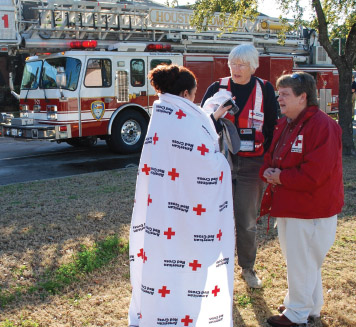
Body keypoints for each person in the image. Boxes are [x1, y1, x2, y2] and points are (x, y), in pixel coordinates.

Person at [128, 64, 235, 326]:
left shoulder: (162, 112)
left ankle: (161, 312)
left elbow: (184, 150)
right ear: (186, 94)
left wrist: (208, 116)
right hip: (187, 215)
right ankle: (184, 313)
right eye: (195, 95)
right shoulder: (183, 117)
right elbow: (205, 164)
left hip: (162, 213)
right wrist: (221, 160)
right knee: (188, 266)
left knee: (164, 265)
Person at [259, 72, 344, 327]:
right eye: (279, 93)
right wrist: (270, 172)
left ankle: (297, 314)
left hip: (311, 209)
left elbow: (314, 175)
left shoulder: (323, 126)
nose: (279, 99)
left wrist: (279, 178)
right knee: (303, 260)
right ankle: (310, 306)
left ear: (303, 97)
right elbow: (271, 156)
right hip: (292, 206)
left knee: (302, 260)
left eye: (285, 94)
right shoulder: (288, 123)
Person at [201, 44, 278, 288]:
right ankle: (213, 267)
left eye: (242, 64)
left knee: (246, 219)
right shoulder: (217, 88)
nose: (236, 68)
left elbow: (272, 126)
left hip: (252, 164)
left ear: (253, 66)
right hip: (220, 162)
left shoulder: (265, 89)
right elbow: (201, 123)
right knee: (215, 217)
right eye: (233, 63)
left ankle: (247, 268)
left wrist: (267, 158)